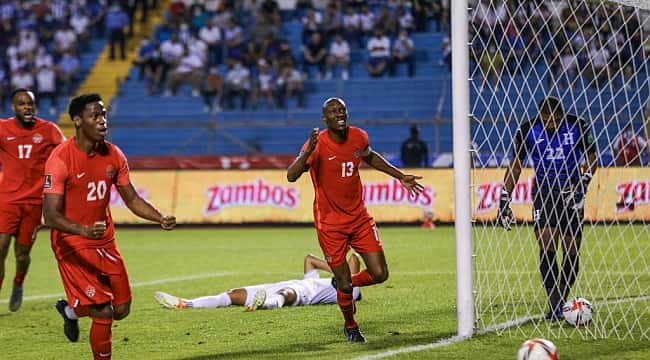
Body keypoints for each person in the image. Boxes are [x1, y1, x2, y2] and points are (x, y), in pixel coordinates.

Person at [43, 94, 176, 359]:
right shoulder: (59, 160)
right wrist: (81, 230)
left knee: (122, 309)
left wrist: (159, 217)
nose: (103, 121)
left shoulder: (114, 155)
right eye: (95, 116)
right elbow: (50, 215)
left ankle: (71, 310)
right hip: (72, 245)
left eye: (104, 115)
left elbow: (133, 199)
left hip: (105, 242)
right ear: (78, 121)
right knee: (103, 311)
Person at [286, 97, 424, 342]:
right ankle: (351, 324)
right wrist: (307, 151)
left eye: (342, 110)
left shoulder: (359, 136)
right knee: (346, 285)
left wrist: (399, 176)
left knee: (380, 274)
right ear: (324, 118)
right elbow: (291, 176)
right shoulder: (316, 145)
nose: (339, 114)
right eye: (333, 111)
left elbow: (369, 156)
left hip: (359, 219)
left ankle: (342, 283)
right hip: (330, 226)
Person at [498, 96, 597, 321]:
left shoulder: (578, 125)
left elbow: (592, 158)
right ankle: (554, 303)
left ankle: (561, 297)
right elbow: (516, 165)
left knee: (571, 247)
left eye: (554, 120)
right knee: (546, 240)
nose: (550, 124)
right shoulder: (527, 129)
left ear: (562, 115)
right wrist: (505, 198)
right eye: (546, 120)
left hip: (572, 191)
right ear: (540, 117)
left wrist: (584, 181)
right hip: (544, 192)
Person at [0, 89, 65, 312]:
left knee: (22, 253)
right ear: (13, 107)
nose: (27, 107)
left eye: (30, 104)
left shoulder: (48, 130)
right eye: (22, 104)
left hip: (34, 203)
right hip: (7, 200)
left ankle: (18, 283)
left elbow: (67, 154)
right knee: (0, 248)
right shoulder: (3, 128)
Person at [154, 253, 362, 311]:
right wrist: (335, 271)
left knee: (287, 294)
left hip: (302, 294)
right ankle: (187, 303)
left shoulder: (350, 293)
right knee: (232, 294)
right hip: (275, 286)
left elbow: (354, 259)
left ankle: (267, 304)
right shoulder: (324, 280)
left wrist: (344, 274)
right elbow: (309, 260)